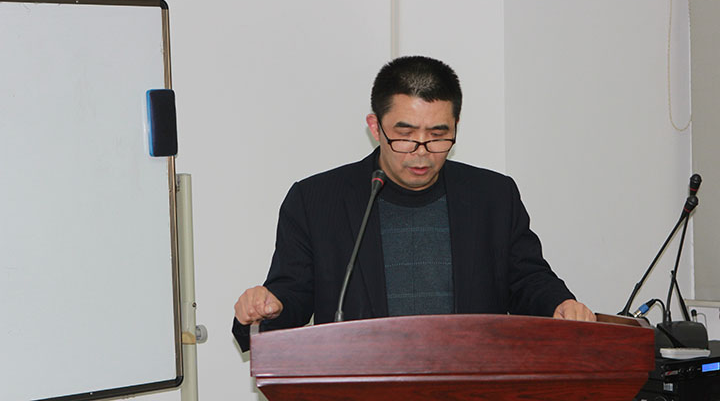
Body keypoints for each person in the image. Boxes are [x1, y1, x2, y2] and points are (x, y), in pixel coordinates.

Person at [233, 56, 595, 352]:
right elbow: (292, 294)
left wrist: (559, 304)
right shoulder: (316, 201)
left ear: (456, 126)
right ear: (375, 127)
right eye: (405, 135)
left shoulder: (493, 196)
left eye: (438, 136)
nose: (421, 152)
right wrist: (268, 307)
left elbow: (527, 279)